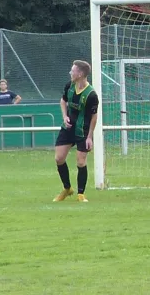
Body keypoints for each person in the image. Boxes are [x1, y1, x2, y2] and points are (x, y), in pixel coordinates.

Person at [53, 60, 99, 203]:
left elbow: (94, 116)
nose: (70, 73)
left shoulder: (91, 94)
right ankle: (67, 189)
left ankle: (81, 194)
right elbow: (62, 101)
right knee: (59, 158)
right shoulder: (69, 86)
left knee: (80, 162)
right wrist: (65, 116)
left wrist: (90, 137)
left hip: (82, 131)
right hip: (68, 128)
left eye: (72, 71)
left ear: (80, 74)